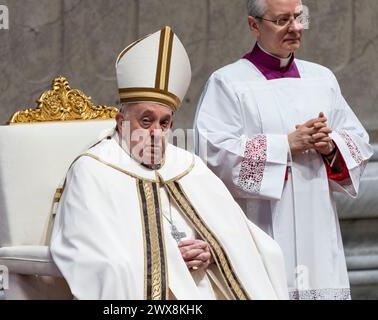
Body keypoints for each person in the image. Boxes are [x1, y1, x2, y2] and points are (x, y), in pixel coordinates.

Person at [50, 26, 289, 300]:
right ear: (121, 121)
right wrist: (168, 261)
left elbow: (239, 235)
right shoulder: (93, 169)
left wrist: (212, 249)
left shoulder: (188, 165)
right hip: (152, 294)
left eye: (164, 123)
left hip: (207, 283)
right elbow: (90, 253)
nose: (155, 132)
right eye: (146, 120)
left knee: (271, 251)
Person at [194, 0, 374, 300]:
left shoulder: (323, 79)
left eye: (299, 18)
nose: (295, 28)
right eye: (282, 21)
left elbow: (359, 142)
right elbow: (212, 154)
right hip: (261, 225)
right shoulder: (228, 83)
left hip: (318, 229)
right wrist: (285, 146)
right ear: (255, 25)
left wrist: (330, 147)